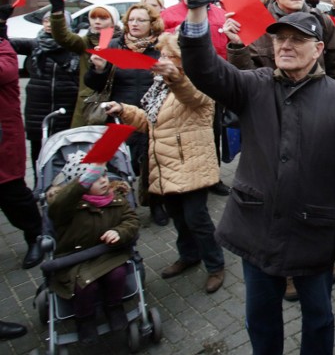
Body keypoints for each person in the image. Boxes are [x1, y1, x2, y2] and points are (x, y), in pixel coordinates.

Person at [178, 0, 335, 355]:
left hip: (314, 232)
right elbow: (203, 69)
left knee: (320, 318)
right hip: (256, 226)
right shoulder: (254, 86)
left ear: (318, 49)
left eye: (297, 40)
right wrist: (197, 8)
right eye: (280, 39)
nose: (286, 46)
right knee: (261, 318)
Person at [103, 33, 225, 294]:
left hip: (191, 162)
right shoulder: (159, 86)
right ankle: (189, 256)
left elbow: (191, 97)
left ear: (184, 61)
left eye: (169, 56)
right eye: (162, 55)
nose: (162, 60)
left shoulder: (199, 83)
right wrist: (122, 109)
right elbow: (149, 122)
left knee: (197, 219)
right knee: (179, 218)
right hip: (164, 164)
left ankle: (215, 266)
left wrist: (176, 76)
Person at [86, 3, 167, 225]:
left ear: (152, 24)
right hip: (119, 113)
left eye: (140, 20)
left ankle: (156, 204)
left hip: (152, 114)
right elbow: (93, 84)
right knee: (119, 163)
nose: (134, 24)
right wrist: (99, 69)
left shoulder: (161, 47)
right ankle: (119, 206)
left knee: (153, 162)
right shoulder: (114, 46)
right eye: (131, 20)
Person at [48, 163, 140, 345]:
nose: (103, 181)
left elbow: (131, 220)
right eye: (95, 179)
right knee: (85, 285)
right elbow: (61, 203)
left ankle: (114, 307)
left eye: (104, 176)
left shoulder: (117, 199)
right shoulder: (67, 209)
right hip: (76, 259)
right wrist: (80, 184)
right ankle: (84, 319)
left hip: (108, 253)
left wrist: (120, 232)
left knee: (118, 274)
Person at [223, 0, 335, 84]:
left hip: (315, 101)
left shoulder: (321, 21)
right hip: (271, 101)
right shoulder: (255, 24)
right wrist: (238, 46)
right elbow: (246, 79)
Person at [160, 0, 231, 196]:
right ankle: (185, 180)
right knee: (184, 134)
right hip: (181, 84)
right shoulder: (169, 14)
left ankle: (213, 178)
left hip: (214, 83)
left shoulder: (220, 14)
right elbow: (161, 48)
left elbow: (226, 47)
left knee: (213, 132)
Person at [3, 8, 79, 173]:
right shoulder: (36, 43)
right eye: (46, 21)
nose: (49, 25)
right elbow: (6, 42)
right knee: (38, 151)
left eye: (54, 21)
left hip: (66, 107)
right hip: (37, 106)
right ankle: (39, 189)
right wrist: (2, 24)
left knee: (63, 151)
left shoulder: (75, 46)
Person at [0, 19, 44, 269]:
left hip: (3, 138)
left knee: (11, 192)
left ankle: (35, 233)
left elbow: (5, 71)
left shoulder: (3, 48)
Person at [48, 0, 122, 128]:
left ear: (113, 22)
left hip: (115, 100)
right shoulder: (85, 42)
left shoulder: (121, 43)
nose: (97, 22)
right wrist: (57, 12)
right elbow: (63, 37)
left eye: (103, 18)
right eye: (93, 18)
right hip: (88, 102)